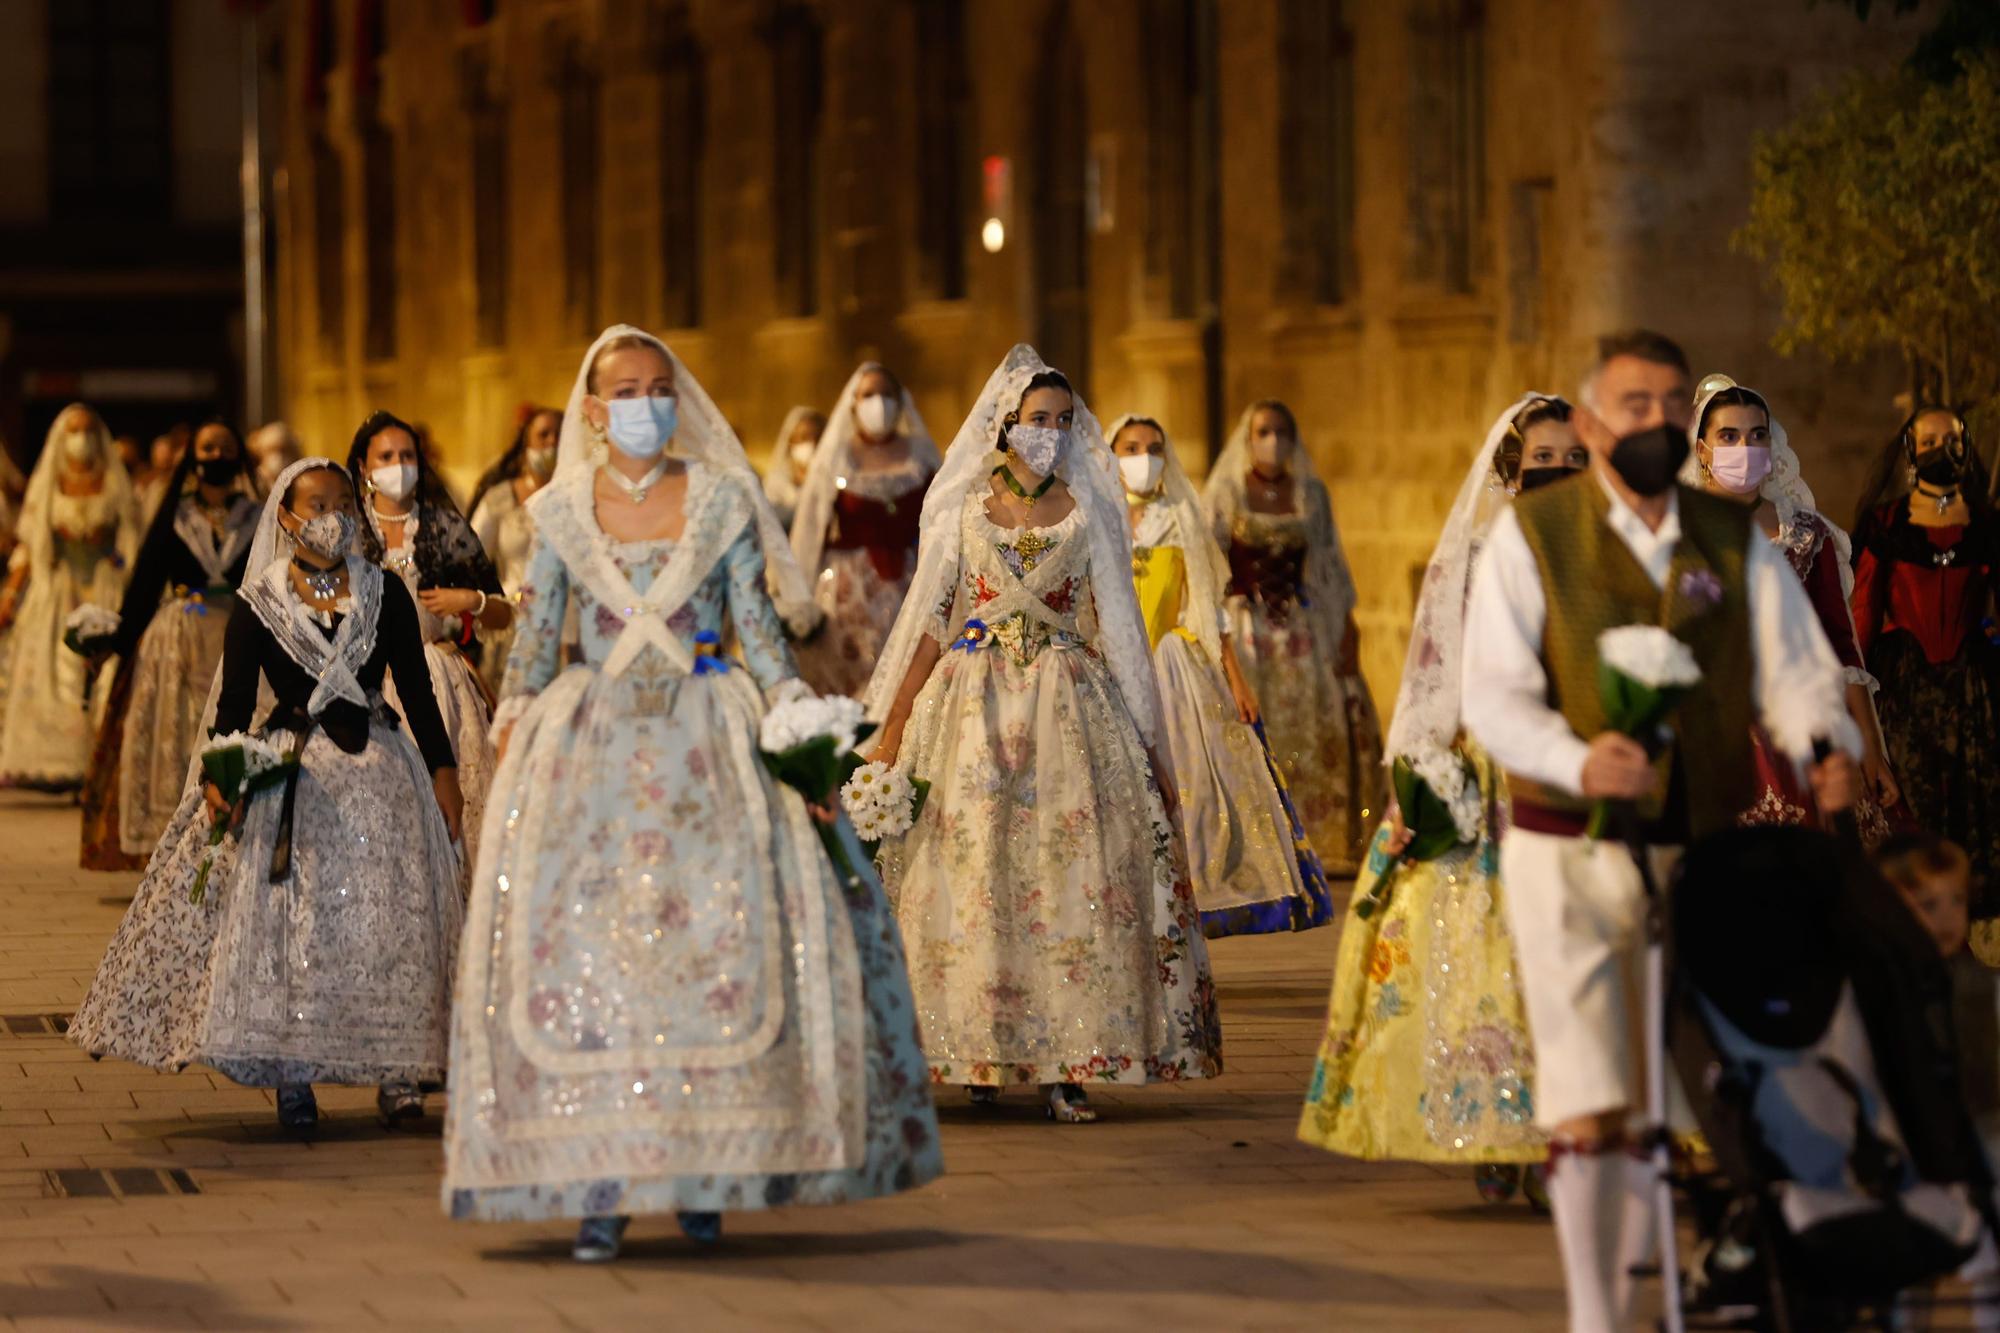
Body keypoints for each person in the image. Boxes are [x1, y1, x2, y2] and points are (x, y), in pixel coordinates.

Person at [444, 326, 940, 1263]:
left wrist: (801, 737)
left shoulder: (720, 499)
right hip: (587, 754)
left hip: (707, 752)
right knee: (598, 965)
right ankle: (602, 1183)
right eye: (623, 388)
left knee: (710, 950)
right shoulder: (558, 514)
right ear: (591, 410)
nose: (644, 401)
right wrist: (509, 743)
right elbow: (539, 638)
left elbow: (758, 632)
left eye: (658, 386)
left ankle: (705, 1170)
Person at [1459, 329, 1864, 1331]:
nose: (1652, 422)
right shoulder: (1532, 539)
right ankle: (1600, 1311)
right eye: (1629, 404)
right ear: (1594, 421)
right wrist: (1572, 758)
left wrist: (1821, 733)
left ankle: (1745, 1253)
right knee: (1595, 1097)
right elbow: (1493, 696)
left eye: (1667, 405)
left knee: (1729, 1066)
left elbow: (1794, 659)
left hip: (1705, 845)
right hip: (1570, 849)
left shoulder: (1727, 543)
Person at [863, 345, 1223, 1124]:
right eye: (1037, 421)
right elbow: (929, 618)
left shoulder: (1090, 510)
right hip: (970, 702)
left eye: (1063, 422)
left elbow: (1121, 629)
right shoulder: (962, 507)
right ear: (1005, 426)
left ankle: (1071, 1058)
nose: (1051, 435)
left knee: (1069, 876)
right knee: (974, 870)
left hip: (1068, 701)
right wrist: (892, 725)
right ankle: (978, 1048)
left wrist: (1153, 746)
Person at [69, 457, 465, 1134]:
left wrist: (443, 773)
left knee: (390, 925)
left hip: (382, 783)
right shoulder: (259, 605)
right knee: (299, 929)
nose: (331, 514)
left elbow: (418, 696)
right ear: (285, 516)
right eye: (315, 503)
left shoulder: (385, 593)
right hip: (296, 781)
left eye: (343, 500)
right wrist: (222, 784)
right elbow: (230, 708)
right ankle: (293, 1074)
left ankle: (401, 1072)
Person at [1300, 395, 1586, 1204]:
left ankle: (1567, 1131)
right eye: (1542, 463)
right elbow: (1435, 668)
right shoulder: (1482, 553)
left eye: (1573, 461)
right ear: (1511, 470)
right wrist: (1428, 768)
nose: (1557, 475)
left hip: (1579, 771)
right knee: (1488, 958)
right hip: (1492, 779)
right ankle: (1498, 1128)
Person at [1107, 411, 1330, 936]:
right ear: (1110, 453)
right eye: (1132, 447)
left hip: (1168, 661)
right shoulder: (1093, 514)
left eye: (1154, 447)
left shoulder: (1179, 516)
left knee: (1194, 790)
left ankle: (1184, 892)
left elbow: (1208, 604)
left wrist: (1234, 676)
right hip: (1107, 660)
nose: (1144, 458)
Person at [1680, 374, 1901, 842]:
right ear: (1702, 450)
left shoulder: (1805, 533)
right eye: (1729, 436)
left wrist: (1870, 747)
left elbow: (1840, 646)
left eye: (1757, 435)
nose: (1746, 447)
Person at [1202, 401, 1383, 873]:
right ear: (1248, 437)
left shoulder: (1310, 494)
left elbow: (1328, 564)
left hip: (1303, 628)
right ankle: (1257, 844)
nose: (1273, 440)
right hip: (1248, 628)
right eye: (1264, 430)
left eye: (1282, 430)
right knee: (1250, 726)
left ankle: (1317, 837)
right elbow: (1208, 567)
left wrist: (1347, 626)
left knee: (1321, 723)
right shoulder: (1226, 492)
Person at [79, 421, 260, 869]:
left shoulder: (255, 515)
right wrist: (118, 640)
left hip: (237, 632)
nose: (216, 455)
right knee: (174, 734)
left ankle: (235, 836)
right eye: (207, 447)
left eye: (224, 447)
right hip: (178, 638)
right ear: (192, 458)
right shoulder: (176, 515)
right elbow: (145, 582)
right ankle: (173, 845)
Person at [348, 410, 508, 877]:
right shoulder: (350, 528)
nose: (399, 464)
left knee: (458, 799)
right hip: (369, 683)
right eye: (386, 456)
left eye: (407, 455)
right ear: (363, 466)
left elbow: (502, 611)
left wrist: (470, 600)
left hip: (443, 682)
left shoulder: (444, 528)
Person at [1850, 405, 2000, 887]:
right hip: (1903, 693)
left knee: (1973, 804)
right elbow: (1862, 619)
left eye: (1952, 440)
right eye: (1930, 441)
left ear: (1967, 447)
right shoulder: (1886, 525)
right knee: (1914, 805)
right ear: (1911, 452)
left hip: (1973, 690)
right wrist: (1855, 705)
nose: (1943, 450)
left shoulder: (1986, 524)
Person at [0, 405, 139, 789]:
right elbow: (31, 546)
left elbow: (131, 546)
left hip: (103, 586)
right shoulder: (49, 487)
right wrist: (11, 594)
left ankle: (100, 760)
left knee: (104, 674)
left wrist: (113, 557)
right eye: (74, 432)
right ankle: (60, 767)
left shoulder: (114, 485)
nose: (81, 441)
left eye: (87, 431)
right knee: (57, 672)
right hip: (59, 591)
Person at [791, 365, 939, 697]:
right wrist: (797, 598)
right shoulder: (838, 456)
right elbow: (810, 527)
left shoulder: (921, 455)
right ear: (853, 403)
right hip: (848, 591)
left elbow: (942, 519)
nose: (878, 402)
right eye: (868, 395)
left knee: (907, 682)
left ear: (900, 401)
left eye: (886, 394)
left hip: (910, 583)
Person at [467, 405, 561, 689]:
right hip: (512, 626)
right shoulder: (500, 499)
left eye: (559, 435)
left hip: (563, 626)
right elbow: (470, 556)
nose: (552, 443)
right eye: (543, 435)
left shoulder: (579, 496)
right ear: (525, 444)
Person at [763, 406, 824, 531]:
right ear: (791, 441)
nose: (811, 443)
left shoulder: (829, 480)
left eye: (816, 438)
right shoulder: (776, 482)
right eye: (804, 437)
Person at [246, 422, 302, 496]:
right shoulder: (252, 483)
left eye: (285, 450)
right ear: (260, 452)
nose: (280, 456)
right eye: (272, 450)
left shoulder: (302, 482)